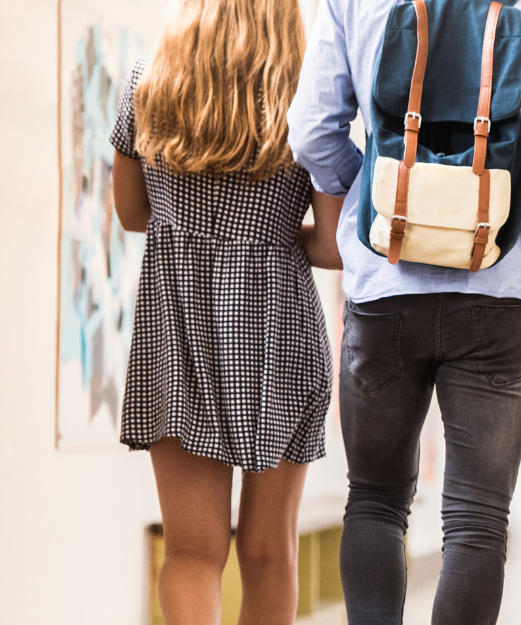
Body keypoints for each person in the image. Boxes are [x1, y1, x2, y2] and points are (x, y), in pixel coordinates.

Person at [286, 0, 521, 622]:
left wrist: (377, 199)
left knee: (375, 502)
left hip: (386, 284)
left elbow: (312, 129)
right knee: (478, 518)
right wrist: (505, 204)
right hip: (500, 289)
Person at [109, 0, 339, 622]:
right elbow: (333, 242)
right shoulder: (307, 96)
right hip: (279, 329)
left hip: (175, 328)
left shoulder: (146, 83)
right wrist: (265, 238)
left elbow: (131, 214)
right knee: (269, 554)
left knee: (190, 551)